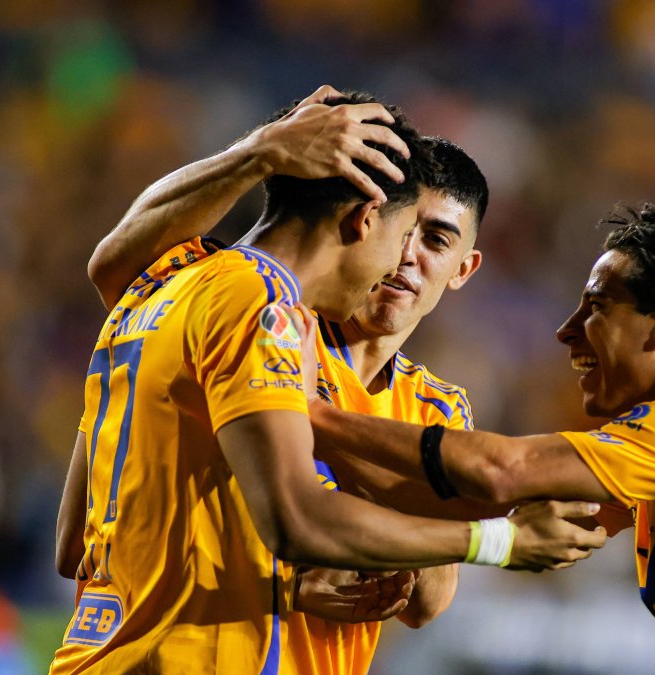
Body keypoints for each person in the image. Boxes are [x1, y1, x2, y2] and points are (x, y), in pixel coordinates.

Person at [48, 88, 605, 674]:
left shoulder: (178, 285)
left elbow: (429, 600)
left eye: (435, 239)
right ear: (366, 218)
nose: (403, 259)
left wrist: (304, 574)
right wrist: (501, 538)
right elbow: (295, 516)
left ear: (465, 268)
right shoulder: (267, 313)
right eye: (403, 231)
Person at [307, 204, 655, 674]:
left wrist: (305, 411)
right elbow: (481, 504)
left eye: (596, 306)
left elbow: (502, 471)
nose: (565, 331)